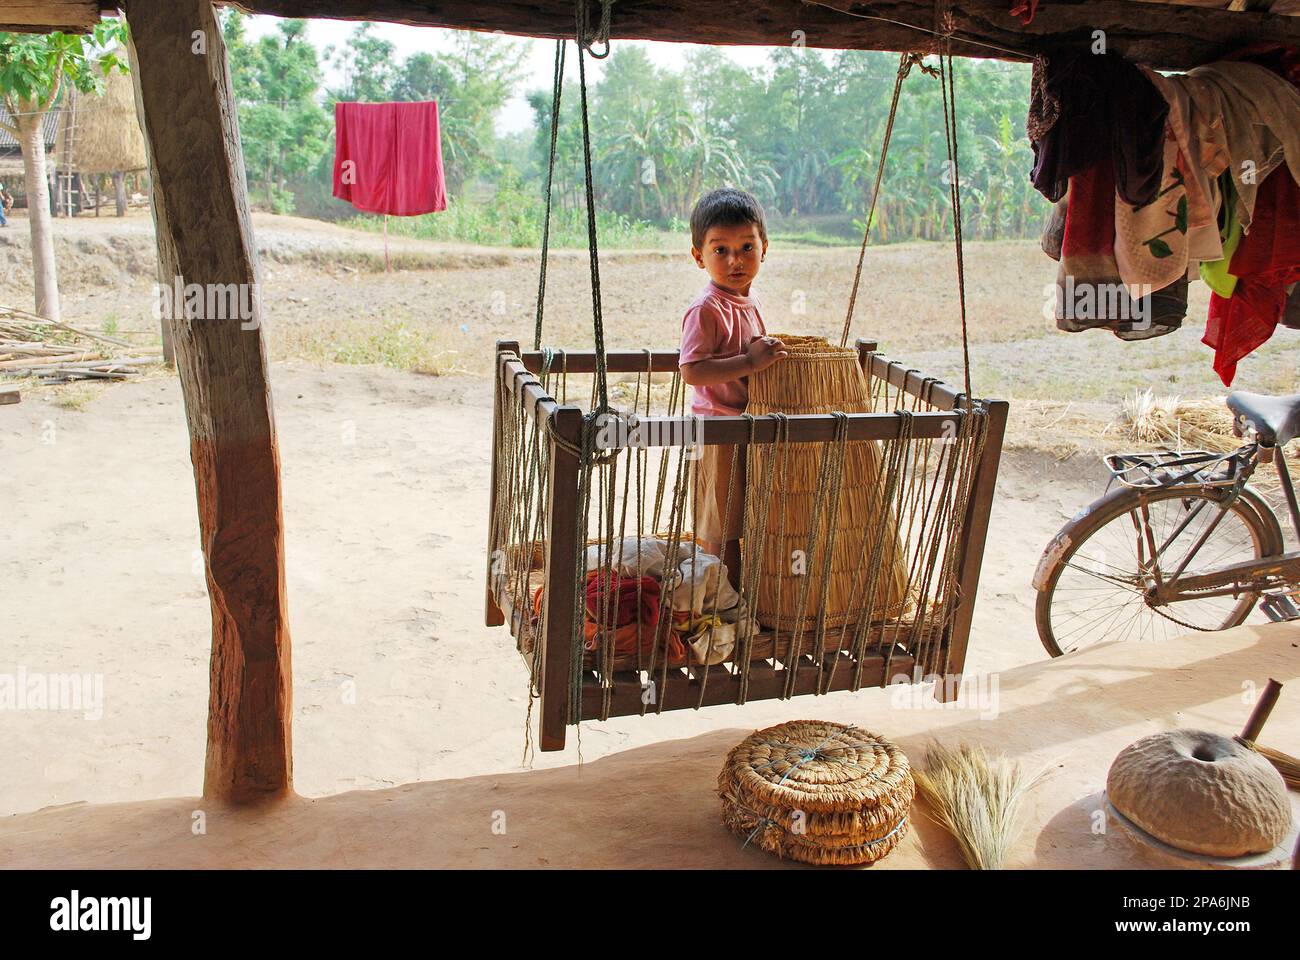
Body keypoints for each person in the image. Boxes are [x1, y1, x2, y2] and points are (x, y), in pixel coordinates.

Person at [678, 187, 786, 585]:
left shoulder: (750, 299)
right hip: (718, 430)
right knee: (720, 526)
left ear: (764, 247)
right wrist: (749, 361)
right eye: (720, 250)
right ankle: (723, 602)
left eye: (746, 247)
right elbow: (692, 370)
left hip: (748, 426)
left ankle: (742, 596)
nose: (735, 260)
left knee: (746, 517)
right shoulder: (706, 308)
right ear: (698, 256)